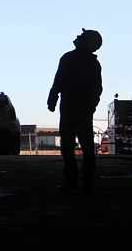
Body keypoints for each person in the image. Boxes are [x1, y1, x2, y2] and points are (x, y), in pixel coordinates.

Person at [48, 29, 103, 192]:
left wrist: (53, 97)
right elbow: (97, 89)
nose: (77, 37)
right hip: (81, 109)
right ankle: (86, 180)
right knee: (84, 144)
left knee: (70, 144)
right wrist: (91, 106)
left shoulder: (69, 59)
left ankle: (73, 180)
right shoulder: (90, 63)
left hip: (72, 108)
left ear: (87, 42)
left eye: (82, 36)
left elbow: (59, 81)